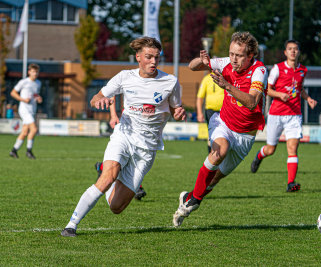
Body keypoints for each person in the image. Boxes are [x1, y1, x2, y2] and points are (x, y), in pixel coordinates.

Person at [61, 37, 186, 237]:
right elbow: (96, 97)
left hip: (147, 148)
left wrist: (179, 113)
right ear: (138, 57)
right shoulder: (124, 77)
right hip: (124, 136)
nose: (153, 62)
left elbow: (175, 108)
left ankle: (102, 170)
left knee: (116, 207)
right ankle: (71, 225)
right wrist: (99, 101)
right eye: (148, 57)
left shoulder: (170, 82)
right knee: (109, 176)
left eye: (157, 58)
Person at [172, 32, 268, 227]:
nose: (234, 59)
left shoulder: (259, 71)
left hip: (245, 137)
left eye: (239, 55)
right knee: (219, 151)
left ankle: (189, 197)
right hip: (222, 122)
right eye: (231, 54)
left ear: (250, 56)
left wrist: (227, 86)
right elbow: (191, 67)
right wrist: (203, 60)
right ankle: (193, 202)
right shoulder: (226, 62)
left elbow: (251, 102)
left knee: (213, 180)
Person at [250, 40, 318, 192]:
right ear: (285, 52)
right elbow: (266, 89)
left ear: (298, 52)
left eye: (295, 49)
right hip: (276, 114)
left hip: (294, 115)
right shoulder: (278, 68)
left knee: (292, 148)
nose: (293, 51)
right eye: (290, 49)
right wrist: (280, 94)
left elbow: (300, 89)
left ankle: (290, 183)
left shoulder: (303, 70)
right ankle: (259, 156)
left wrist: (308, 99)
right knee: (270, 149)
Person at [94, 97, 147, 200]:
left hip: (144, 125)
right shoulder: (130, 80)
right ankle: (137, 188)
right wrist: (113, 115)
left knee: (137, 158)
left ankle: (101, 167)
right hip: (129, 124)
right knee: (133, 158)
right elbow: (113, 92)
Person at [9, 63, 42, 159]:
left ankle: (13, 151)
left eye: (36, 72)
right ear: (29, 72)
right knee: (34, 129)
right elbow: (13, 93)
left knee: (24, 132)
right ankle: (29, 151)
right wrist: (23, 100)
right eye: (33, 71)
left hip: (32, 109)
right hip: (24, 109)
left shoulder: (38, 83)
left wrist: (38, 98)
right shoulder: (23, 82)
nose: (35, 73)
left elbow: (35, 95)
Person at [196, 72, 224, 153]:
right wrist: (199, 113)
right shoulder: (207, 79)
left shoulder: (225, 78)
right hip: (211, 111)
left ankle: (222, 155)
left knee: (225, 134)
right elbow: (200, 97)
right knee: (212, 134)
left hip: (224, 111)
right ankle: (211, 155)